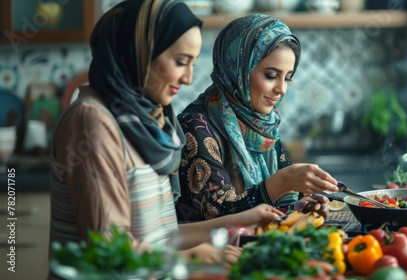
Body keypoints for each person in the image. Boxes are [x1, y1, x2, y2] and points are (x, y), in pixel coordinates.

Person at [48, 1, 282, 277]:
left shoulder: (145, 123)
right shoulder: (92, 121)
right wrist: (191, 259)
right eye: (181, 61)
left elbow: (159, 237)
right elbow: (110, 251)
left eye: (193, 63)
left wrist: (240, 220)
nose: (188, 77)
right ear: (139, 52)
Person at [175, 14, 339, 223]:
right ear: (238, 68)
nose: (281, 89)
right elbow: (217, 212)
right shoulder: (195, 126)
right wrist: (283, 181)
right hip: (209, 254)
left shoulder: (264, 127)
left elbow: (282, 200)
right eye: (271, 75)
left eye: (287, 78)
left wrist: (303, 202)